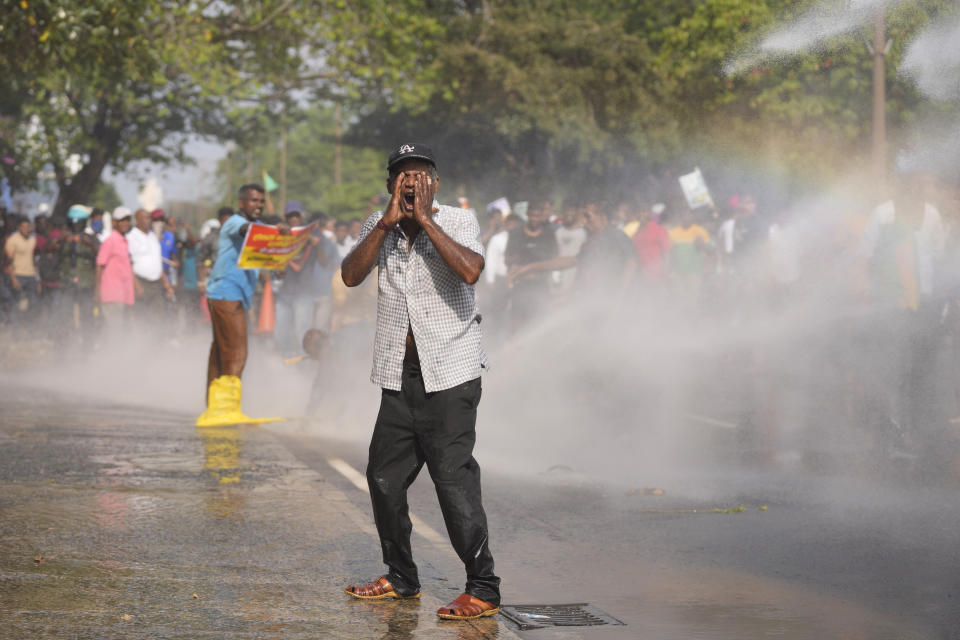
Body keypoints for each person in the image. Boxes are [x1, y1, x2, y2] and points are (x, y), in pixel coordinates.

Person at [341, 143, 501, 620]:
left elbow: (471, 270)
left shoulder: (458, 220)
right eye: (402, 176)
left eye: (421, 175)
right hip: (398, 374)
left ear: (435, 184)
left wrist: (427, 219)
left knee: (452, 481)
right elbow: (350, 275)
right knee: (383, 478)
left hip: (451, 374)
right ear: (390, 184)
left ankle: (483, 588)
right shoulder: (379, 224)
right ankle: (402, 577)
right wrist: (388, 222)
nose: (411, 183)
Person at [195, 184, 288, 427]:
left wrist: (278, 266)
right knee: (237, 351)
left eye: (261, 201)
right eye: (253, 200)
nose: (257, 204)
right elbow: (247, 230)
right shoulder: (235, 223)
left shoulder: (255, 230)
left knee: (221, 350)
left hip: (230, 294)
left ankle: (215, 408)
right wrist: (272, 230)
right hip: (227, 293)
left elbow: (262, 258)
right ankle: (227, 409)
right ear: (241, 203)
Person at [505, 199, 557, 330]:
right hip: (521, 286)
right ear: (527, 214)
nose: (535, 219)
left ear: (542, 216)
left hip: (541, 286)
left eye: (538, 216)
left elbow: (554, 258)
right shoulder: (516, 233)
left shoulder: (549, 234)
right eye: (532, 216)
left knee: (540, 323)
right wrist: (515, 262)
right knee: (517, 324)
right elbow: (507, 259)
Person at [127, 208, 173, 324]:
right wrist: (136, 286)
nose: (149, 221)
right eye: (146, 218)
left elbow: (157, 263)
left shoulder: (152, 237)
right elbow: (128, 264)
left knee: (158, 318)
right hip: (141, 283)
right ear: (137, 220)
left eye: (149, 218)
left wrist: (167, 285)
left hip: (156, 284)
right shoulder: (131, 237)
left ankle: (156, 341)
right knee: (142, 318)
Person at [95, 206, 135, 329]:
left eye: (128, 220)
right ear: (114, 222)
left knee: (122, 330)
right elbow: (99, 265)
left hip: (124, 294)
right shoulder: (110, 241)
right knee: (114, 331)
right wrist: (97, 292)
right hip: (112, 295)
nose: (126, 223)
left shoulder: (124, 241)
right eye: (122, 220)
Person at [4, 216, 39, 324]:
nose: (26, 228)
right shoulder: (12, 240)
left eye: (28, 226)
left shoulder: (33, 240)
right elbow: (8, 262)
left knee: (33, 303)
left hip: (31, 276)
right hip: (18, 275)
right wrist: (13, 278)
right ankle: (16, 332)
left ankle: (28, 328)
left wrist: (37, 278)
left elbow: (34, 259)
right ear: (19, 227)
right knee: (16, 303)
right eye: (23, 226)